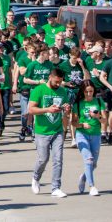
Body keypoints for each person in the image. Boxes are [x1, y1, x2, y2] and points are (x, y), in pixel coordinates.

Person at [28, 67, 71, 198]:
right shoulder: (39, 90)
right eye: (56, 81)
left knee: (58, 159)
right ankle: (35, 177)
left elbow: (65, 110)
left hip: (57, 130)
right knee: (43, 159)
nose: (58, 84)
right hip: (42, 131)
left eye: (60, 82)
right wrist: (47, 109)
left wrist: (67, 109)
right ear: (50, 77)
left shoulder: (63, 91)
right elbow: (31, 109)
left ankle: (56, 188)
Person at [73, 79, 106, 196]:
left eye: (91, 91)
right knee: (89, 159)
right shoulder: (77, 104)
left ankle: (84, 176)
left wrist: (97, 116)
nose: (88, 94)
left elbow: (104, 120)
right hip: (82, 134)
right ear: (82, 91)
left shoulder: (99, 101)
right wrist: (82, 125)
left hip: (95, 134)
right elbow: (73, 123)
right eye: (86, 92)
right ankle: (92, 186)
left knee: (94, 164)